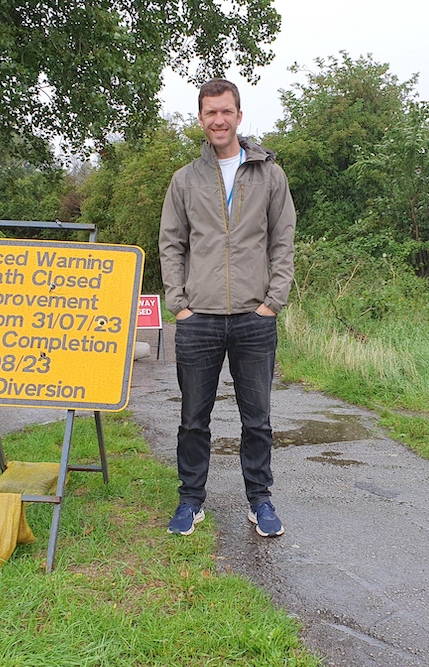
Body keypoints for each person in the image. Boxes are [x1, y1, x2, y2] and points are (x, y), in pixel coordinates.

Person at [158, 78, 296, 538]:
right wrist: (178, 305)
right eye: (210, 112)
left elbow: (282, 242)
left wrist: (273, 302)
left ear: (239, 115)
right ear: (200, 119)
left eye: (226, 111)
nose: (218, 120)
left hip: (254, 318)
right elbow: (171, 245)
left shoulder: (269, 175)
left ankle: (260, 500)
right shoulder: (185, 178)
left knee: (256, 418)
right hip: (198, 319)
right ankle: (190, 501)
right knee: (193, 418)